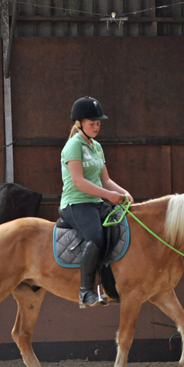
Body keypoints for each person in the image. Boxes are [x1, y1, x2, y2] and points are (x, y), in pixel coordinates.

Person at [60, 97, 133, 308]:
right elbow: (78, 181)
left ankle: (111, 284)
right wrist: (108, 196)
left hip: (95, 202)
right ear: (79, 123)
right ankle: (85, 292)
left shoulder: (97, 147)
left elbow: (106, 180)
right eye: (92, 123)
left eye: (98, 123)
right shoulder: (73, 146)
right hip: (75, 204)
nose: (96, 126)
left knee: (120, 227)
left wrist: (123, 192)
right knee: (95, 237)